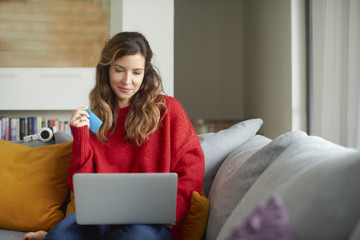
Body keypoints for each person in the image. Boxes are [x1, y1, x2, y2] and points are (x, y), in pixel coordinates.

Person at [24, 31, 205, 240]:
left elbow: (192, 167)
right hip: (100, 219)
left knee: (135, 237)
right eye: (119, 70)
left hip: (150, 223)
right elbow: (79, 186)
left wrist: (174, 210)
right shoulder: (94, 118)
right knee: (60, 238)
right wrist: (81, 137)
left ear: (145, 73)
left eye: (136, 72)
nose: (127, 81)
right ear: (107, 70)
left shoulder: (168, 109)